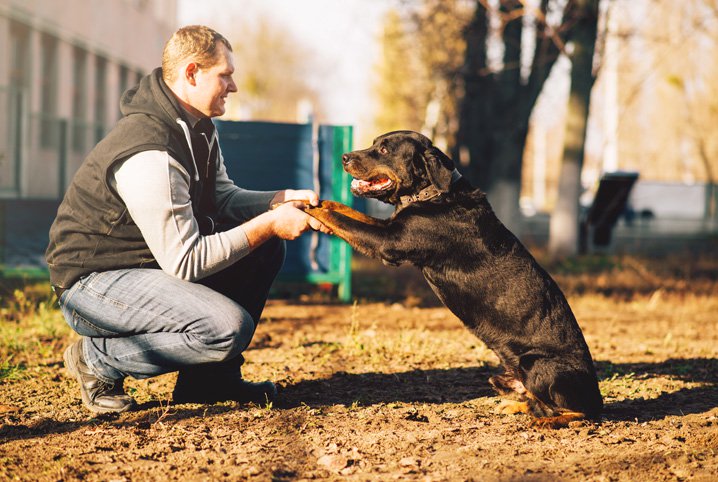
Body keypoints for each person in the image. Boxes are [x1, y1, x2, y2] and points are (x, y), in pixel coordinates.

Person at [45, 25, 329, 414]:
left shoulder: (198, 127)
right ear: (192, 73)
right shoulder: (151, 150)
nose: (233, 86)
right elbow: (186, 260)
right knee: (224, 330)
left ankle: (209, 382)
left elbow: (223, 197)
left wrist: (278, 200)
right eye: (225, 75)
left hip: (145, 267)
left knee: (265, 250)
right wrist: (269, 223)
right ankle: (96, 358)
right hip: (93, 283)